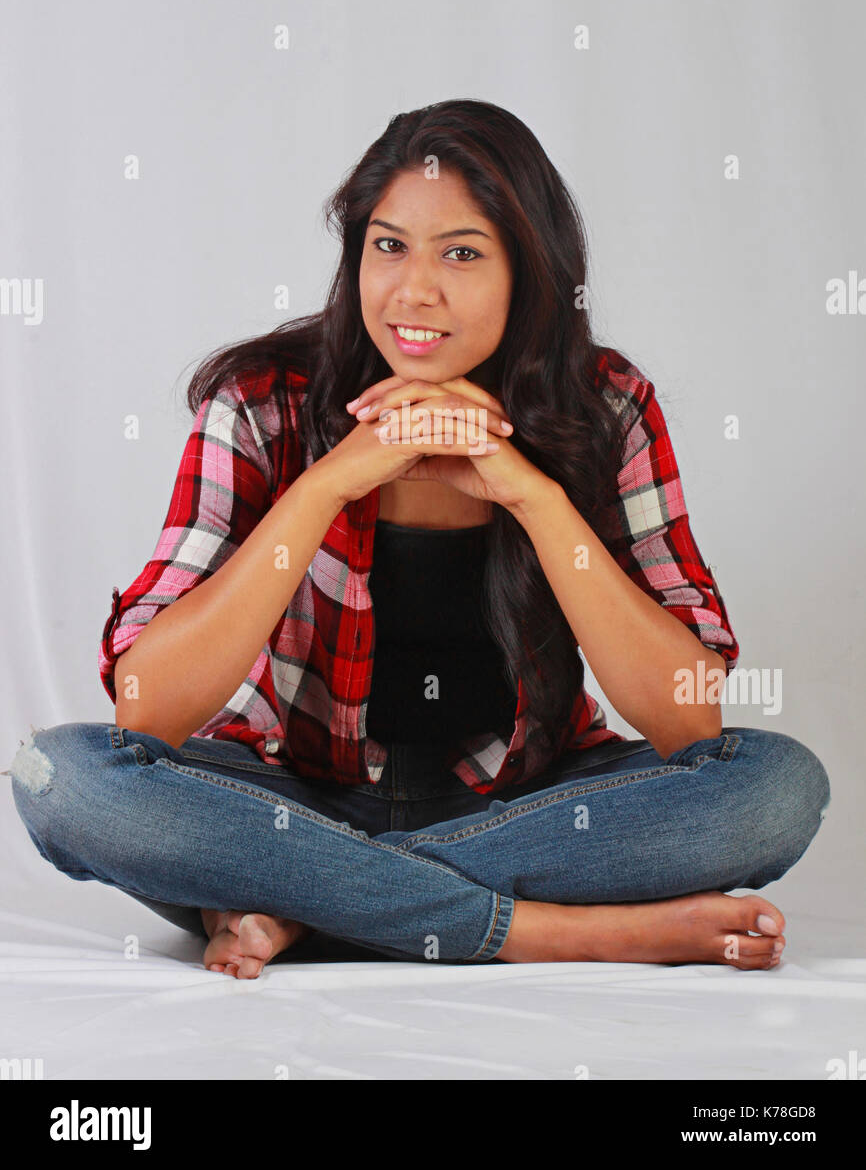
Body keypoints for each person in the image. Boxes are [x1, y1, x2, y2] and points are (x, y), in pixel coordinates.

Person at [8, 99, 830, 980]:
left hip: (525, 807)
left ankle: (305, 906)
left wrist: (532, 495)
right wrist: (328, 484)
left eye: (463, 253)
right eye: (388, 246)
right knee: (59, 778)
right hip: (290, 800)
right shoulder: (263, 402)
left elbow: (686, 717)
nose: (414, 292)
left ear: (530, 273)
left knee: (778, 789)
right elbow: (147, 708)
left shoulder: (607, 407)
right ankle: (559, 932)